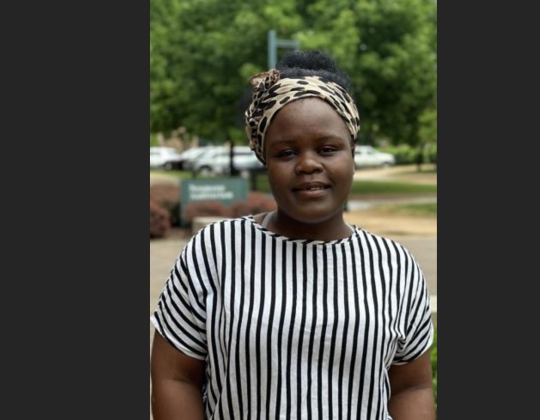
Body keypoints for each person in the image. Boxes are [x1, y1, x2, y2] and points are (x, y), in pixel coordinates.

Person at [150, 50, 435, 420]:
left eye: (328, 148)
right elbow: (174, 377)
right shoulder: (216, 252)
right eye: (286, 152)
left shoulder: (394, 267)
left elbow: (411, 385)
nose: (308, 164)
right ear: (265, 159)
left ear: (351, 152)